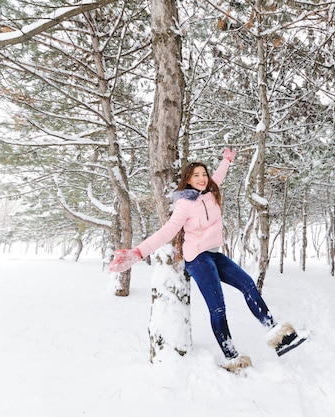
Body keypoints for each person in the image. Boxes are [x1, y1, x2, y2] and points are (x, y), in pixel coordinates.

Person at [108, 148, 305, 372]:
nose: (202, 179)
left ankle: (278, 335)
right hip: (197, 259)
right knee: (218, 307)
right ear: (188, 180)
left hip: (213, 254)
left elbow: (218, 176)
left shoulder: (211, 191)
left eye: (204, 174)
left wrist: (227, 161)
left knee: (248, 284)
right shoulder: (184, 204)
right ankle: (232, 358)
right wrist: (138, 252)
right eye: (196, 175)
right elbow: (167, 231)